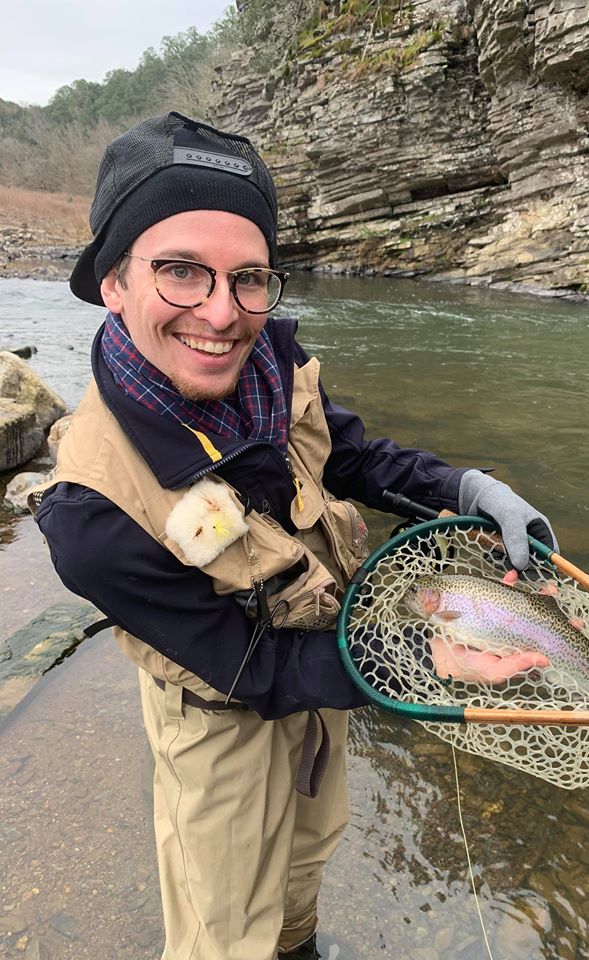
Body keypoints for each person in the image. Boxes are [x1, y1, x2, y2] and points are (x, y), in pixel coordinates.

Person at [30, 111, 559, 960]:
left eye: (248, 278)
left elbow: (352, 457)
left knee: (306, 859)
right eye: (179, 272)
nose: (221, 313)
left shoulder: (275, 366)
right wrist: (420, 661)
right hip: (219, 707)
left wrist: (466, 487)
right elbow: (253, 670)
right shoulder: (89, 513)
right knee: (225, 922)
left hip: (326, 671)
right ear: (111, 283)